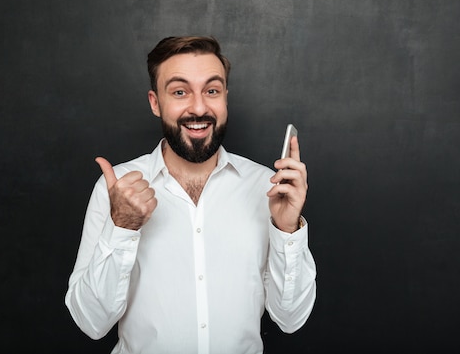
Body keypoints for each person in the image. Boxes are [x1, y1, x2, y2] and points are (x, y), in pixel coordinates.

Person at [65, 36, 317, 354]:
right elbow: (91, 322)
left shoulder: (267, 189)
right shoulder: (116, 191)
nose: (198, 107)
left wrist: (286, 230)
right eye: (180, 92)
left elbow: (290, 318)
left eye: (211, 90)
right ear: (155, 102)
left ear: (225, 96)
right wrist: (122, 226)